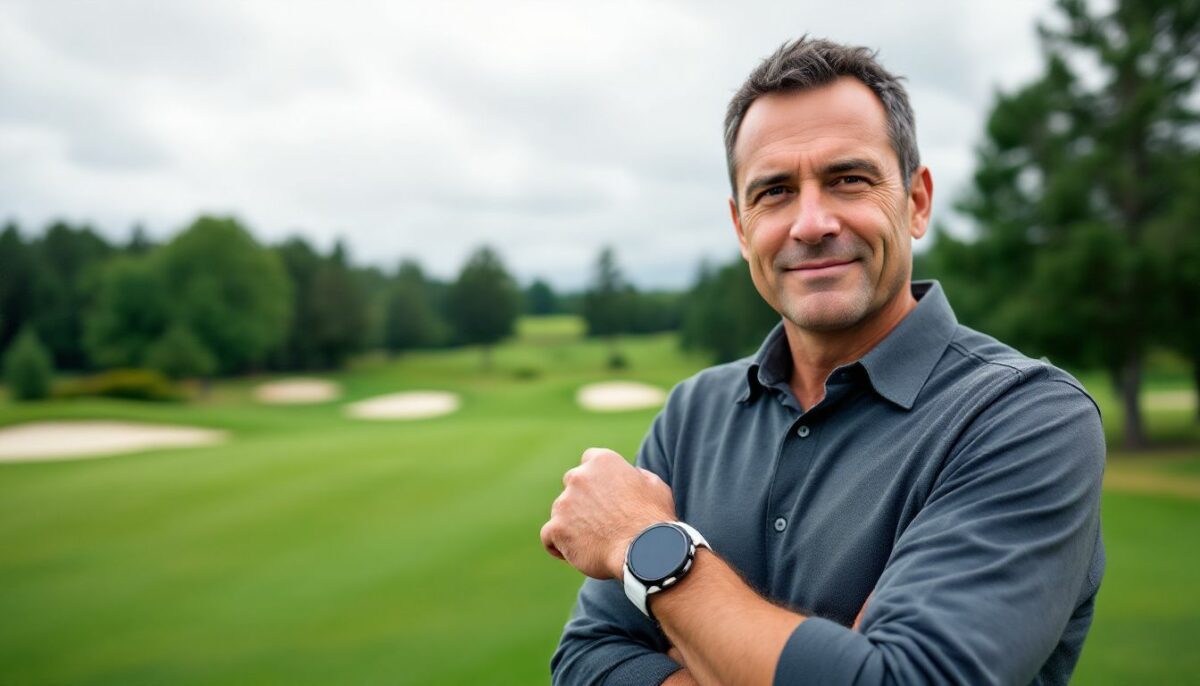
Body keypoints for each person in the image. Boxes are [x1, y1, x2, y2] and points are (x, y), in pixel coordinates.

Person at [540, 37, 1105, 686]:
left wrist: (649, 547)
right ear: (741, 226)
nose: (811, 223)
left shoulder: (1026, 419)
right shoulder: (692, 415)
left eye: (849, 179)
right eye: (774, 191)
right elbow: (587, 663)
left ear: (916, 202)